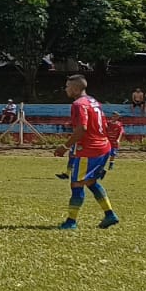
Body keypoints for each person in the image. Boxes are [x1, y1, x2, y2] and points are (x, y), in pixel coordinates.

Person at [55, 74, 120, 230]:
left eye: (67, 86)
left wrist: (64, 147)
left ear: (76, 88)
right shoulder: (94, 101)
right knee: (90, 181)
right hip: (103, 147)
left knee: (76, 184)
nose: (65, 89)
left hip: (89, 150)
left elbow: (82, 129)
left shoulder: (78, 104)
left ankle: (71, 222)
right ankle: (110, 214)